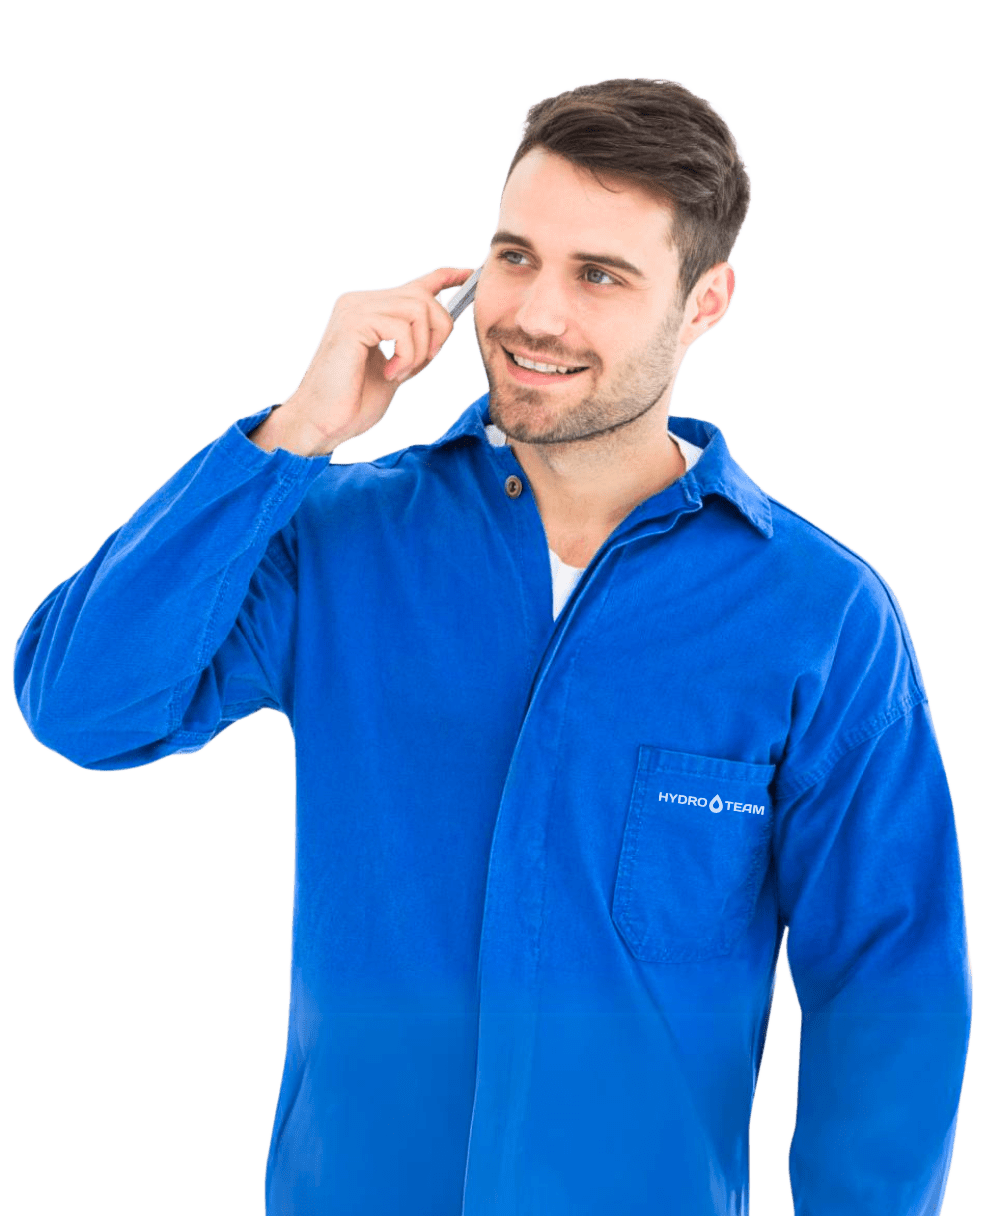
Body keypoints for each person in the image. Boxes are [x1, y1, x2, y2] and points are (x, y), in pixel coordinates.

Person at [13, 77, 972, 1215]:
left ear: (704, 301)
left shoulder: (821, 615)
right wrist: (297, 434)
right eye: (515, 257)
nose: (534, 316)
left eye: (600, 275)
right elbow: (83, 705)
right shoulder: (343, 538)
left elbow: (889, 988)